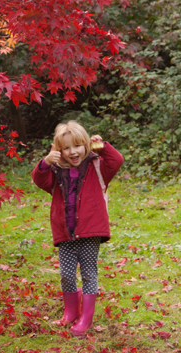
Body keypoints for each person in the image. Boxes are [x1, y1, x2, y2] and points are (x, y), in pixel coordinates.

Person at [31, 121, 123, 337]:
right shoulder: (55, 171)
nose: (73, 152)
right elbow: (39, 179)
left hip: (91, 231)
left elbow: (117, 160)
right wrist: (45, 162)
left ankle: (86, 319)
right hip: (66, 232)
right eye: (66, 148)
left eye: (78, 146)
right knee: (66, 275)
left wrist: (103, 146)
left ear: (85, 146)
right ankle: (70, 312)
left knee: (89, 274)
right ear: (58, 150)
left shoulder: (97, 166)